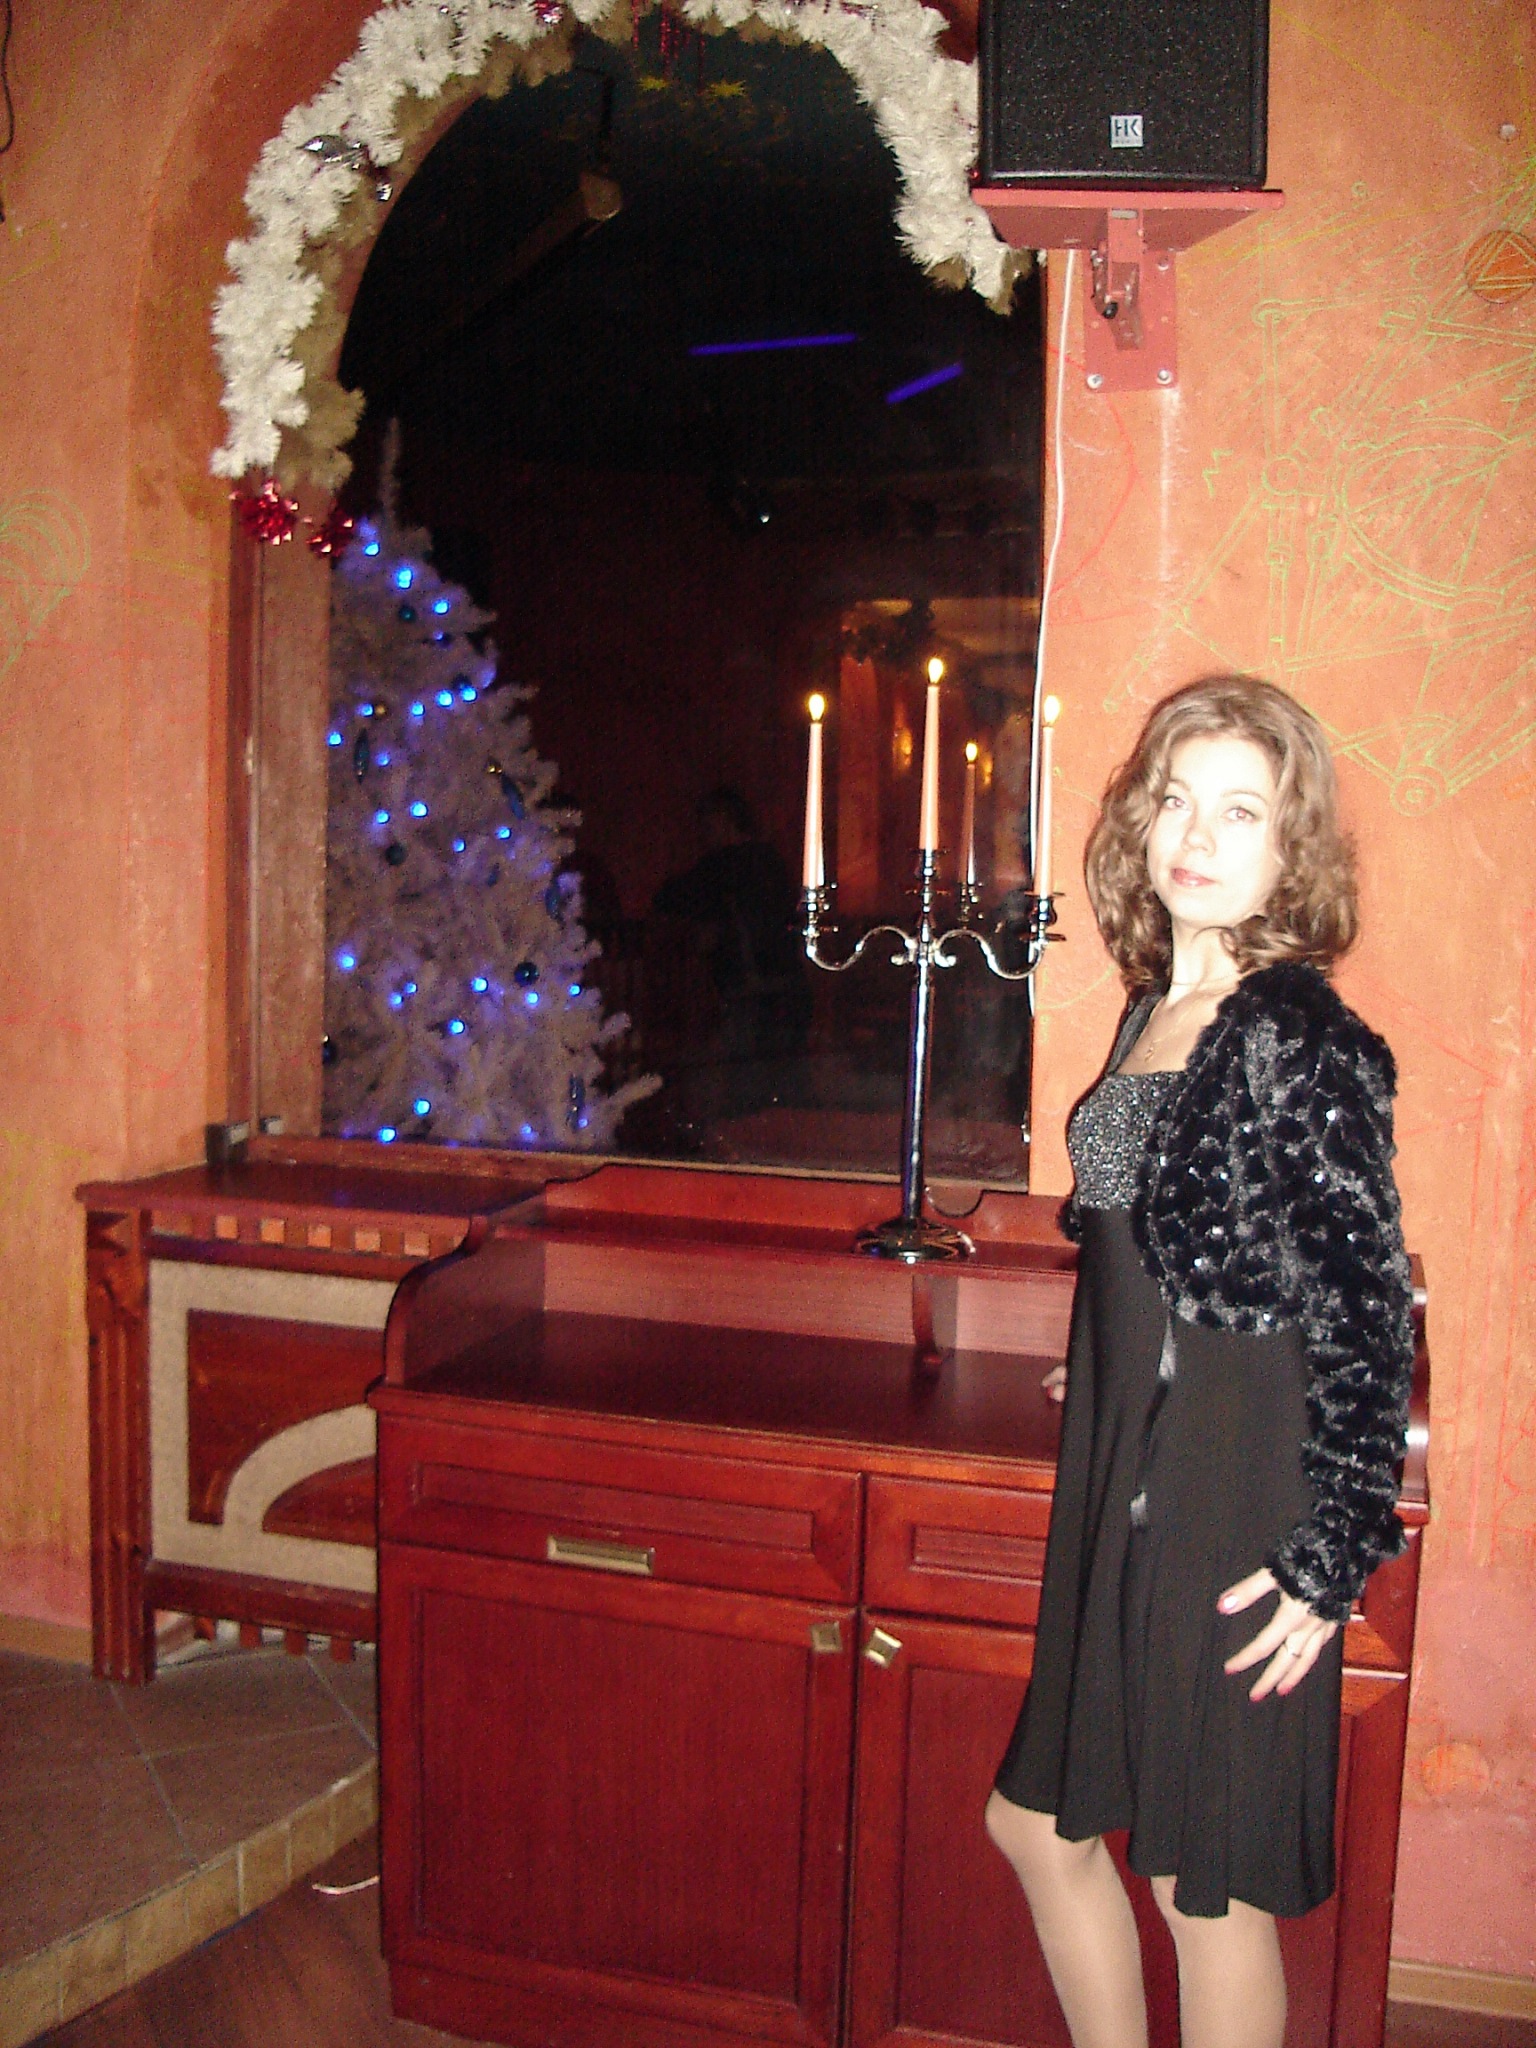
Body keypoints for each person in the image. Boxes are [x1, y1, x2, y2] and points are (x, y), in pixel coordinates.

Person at [984, 676, 1414, 2048]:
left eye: (1244, 812)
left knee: (1201, 1887)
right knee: (1039, 1826)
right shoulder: (1153, 1007)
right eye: (1179, 800)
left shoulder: (1296, 1035)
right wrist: (1113, 1363)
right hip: (1127, 1464)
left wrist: (1331, 1555)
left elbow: (1367, 1312)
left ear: (1293, 852)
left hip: (1231, 1497)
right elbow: (1162, 1245)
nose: (1199, 836)